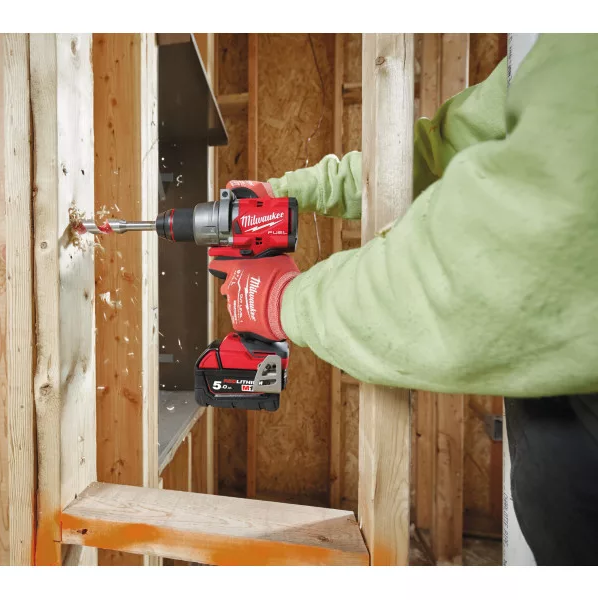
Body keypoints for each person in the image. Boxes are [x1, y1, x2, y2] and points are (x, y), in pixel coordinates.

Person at [210, 33, 598, 565]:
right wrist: (291, 192)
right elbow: (446, 146)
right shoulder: (559, 45)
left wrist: (281, 300)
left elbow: (460, 279)